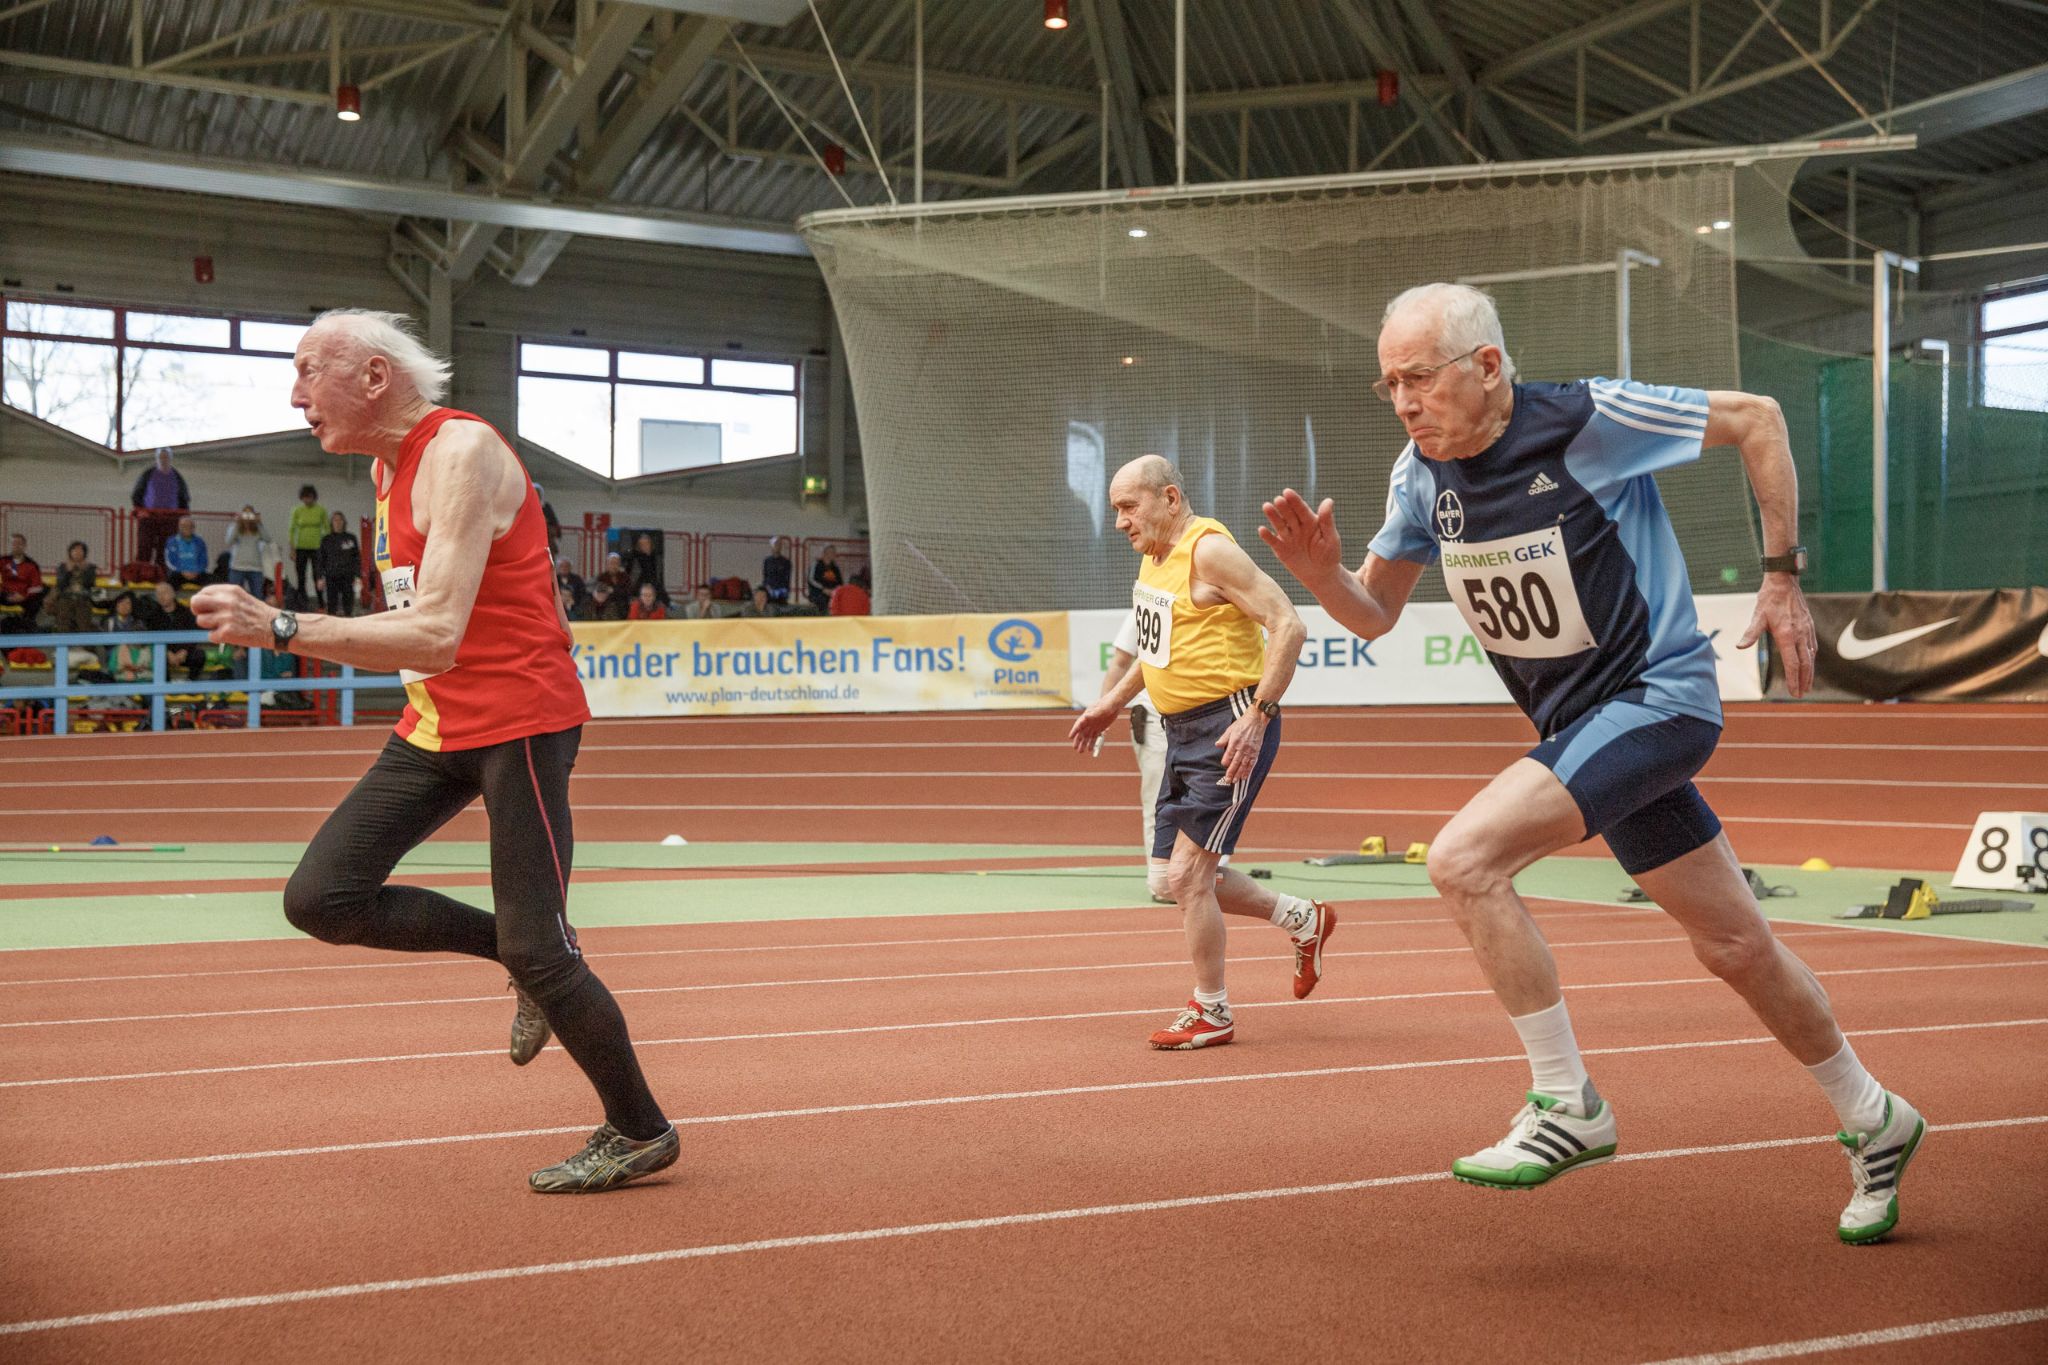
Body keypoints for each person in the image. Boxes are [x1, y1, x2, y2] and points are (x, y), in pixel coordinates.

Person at [1260, 282, 1920, 1242]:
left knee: (1463, 859)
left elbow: (1758, 418)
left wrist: (1782, 580)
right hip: (1587, 730)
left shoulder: (1585, 418)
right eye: (1387, 383)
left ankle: (1568, 1101)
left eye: (1418, 378)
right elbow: (1376, 613)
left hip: (1657, 701)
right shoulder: (1417, 476)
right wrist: (1323, 578)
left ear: (1487, 367)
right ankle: (1876, 1114)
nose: (1403, 400)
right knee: (1737, 946)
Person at [193, 307, 676, 1193]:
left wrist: (284, 626)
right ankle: (526, 953)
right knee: (322, 897)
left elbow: (438, 630)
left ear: (374, 377)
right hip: (435, 724)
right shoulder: (384, 469)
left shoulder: (459, 452)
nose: (294, 395)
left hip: (521, 721)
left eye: (309, 372)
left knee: (544, 951)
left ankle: (638, 1127)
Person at [1068, 455, 1330, 1050]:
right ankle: (1302, 918)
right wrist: (1112, 702)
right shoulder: (1153, 558)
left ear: (1170, 498)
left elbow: (1288, 624)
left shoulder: (1208, 550)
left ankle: (1212, 1008)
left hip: (1228, 725)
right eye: (1116, 511)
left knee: (1189, 874)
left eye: (1128, 508)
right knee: (1169, 879)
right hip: (1179, 730)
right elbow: (1158, 651)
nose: (1120, 523)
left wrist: (1258, 716)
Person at [1102, 607, 1173, 904]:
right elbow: (1120, 663)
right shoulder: (1148, 607)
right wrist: (1102, 712)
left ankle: (1209, 875)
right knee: (1159, 799)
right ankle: (1162, 881)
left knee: (1211, 797)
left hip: (1204, 719)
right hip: (1154, 718)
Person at [130, 447, 190, 565]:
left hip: (170, 518)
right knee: (144, 546)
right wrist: (141, 510)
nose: (163, 460)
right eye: (161, 457)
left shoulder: (177, 476)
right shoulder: (148, 474)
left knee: (165, 548)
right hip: (149, 517)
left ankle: (162, 575)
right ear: (156, 459)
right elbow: (137, 493)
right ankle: (143, 575)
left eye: (166, 457)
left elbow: (184, 497)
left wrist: (183, 515)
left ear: (170, 459)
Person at [141, 578, 201, 679]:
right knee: (157, 656)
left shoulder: (186, 613)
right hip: (164, 652)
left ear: (173, 594)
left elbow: (193, 632)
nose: (161, 597)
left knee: (199, 655)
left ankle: (191, 685)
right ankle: (165, 688)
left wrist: (184, 651)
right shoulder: (152, 616)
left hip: (183, 653)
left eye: (164, 593)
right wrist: (167, 653)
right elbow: (152, 637)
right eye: (158, 594)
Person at [288, 485, 327, 608]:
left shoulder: (321, 510)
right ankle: (302, 603)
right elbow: (291, 529)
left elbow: (327, 528)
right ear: (301, 498)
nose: (307, 500)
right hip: (300, 547)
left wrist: (325, 546)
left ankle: (321, 603)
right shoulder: (297, 510)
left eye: (309, 497)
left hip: (317, 548)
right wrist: (292, 548)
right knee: (301, 576)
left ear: (314, 497)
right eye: (305, 497)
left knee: (317, 575)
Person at [48, 540, 99, 635]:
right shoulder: (63, 567)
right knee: (63, 622)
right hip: (65, 598)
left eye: (80, 550)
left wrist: (85, 570)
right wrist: (68, 571)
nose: (77, 552)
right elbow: (61, 584)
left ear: (84, 553)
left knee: (84, 626)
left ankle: (86, 647)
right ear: (70, 552)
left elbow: (90, 584)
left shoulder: (90, 567)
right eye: (75, 550)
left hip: (83, 599)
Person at [223, 507, 272, 599]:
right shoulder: (234, 527)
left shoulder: (257, 529)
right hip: (237, 567)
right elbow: (229, 541)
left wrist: (259, 524)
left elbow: (268, 539)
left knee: (258, 596)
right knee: (235, 596)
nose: (247, 517)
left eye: (250, 514)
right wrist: (237, 524)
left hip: (255, 567)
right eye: (245, 514)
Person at [318, 512, 361, 616]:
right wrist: (320, 577)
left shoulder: (351, 538)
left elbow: (357, 559)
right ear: (331, 523)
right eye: (335, 520)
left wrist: (358, 577)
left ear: (344, 522)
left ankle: (348, 625)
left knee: (348, 604)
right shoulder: (326, 540)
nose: (338, 522)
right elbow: (320, 560)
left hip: (348, 575)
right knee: (332, 605)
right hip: (331, 575)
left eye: (340, 520)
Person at [2, 533, 45, 630]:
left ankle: (25, 629)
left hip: (24, 597)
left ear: (24, 546)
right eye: (14, 543)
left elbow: (36, 587)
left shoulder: (32, 565)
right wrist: (6, 595)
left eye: (19, 543)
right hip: (6, 596)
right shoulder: (3, 561)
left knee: (35, 603)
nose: (16, 546)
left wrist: (23, 596)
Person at [164, 515, 210, 590]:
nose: (187, 528)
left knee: (213, 581)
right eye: (184, 526)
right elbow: (169, 561)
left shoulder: (200, 542)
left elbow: (204, 560)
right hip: (179, 573)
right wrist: (182, 571)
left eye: (190, 526)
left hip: (197, 573)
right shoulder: (172, 541)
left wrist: (197, 571)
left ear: (194, 528)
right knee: (170, 583)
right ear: (179, 527)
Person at [806, 544, 843, 612]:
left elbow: (840, 583)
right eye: (830, 552)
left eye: (833, 552)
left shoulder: (836, 568)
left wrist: (834, 591)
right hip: (818, 594)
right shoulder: (816, 564)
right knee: (822, 601)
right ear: (824, 553)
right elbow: (810, 580)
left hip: (833, 594)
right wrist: (823, 589)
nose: (832, 554)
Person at [761, 536, 794, 604]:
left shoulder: (786, 562)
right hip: (769, 591)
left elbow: (787, 580)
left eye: (779, 544)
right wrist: (767, 589)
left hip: (781, 593)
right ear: (772, 546)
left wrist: (782, 593)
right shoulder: (767, 561)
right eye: (776, 544)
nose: (778, 546)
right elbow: (765, 577)